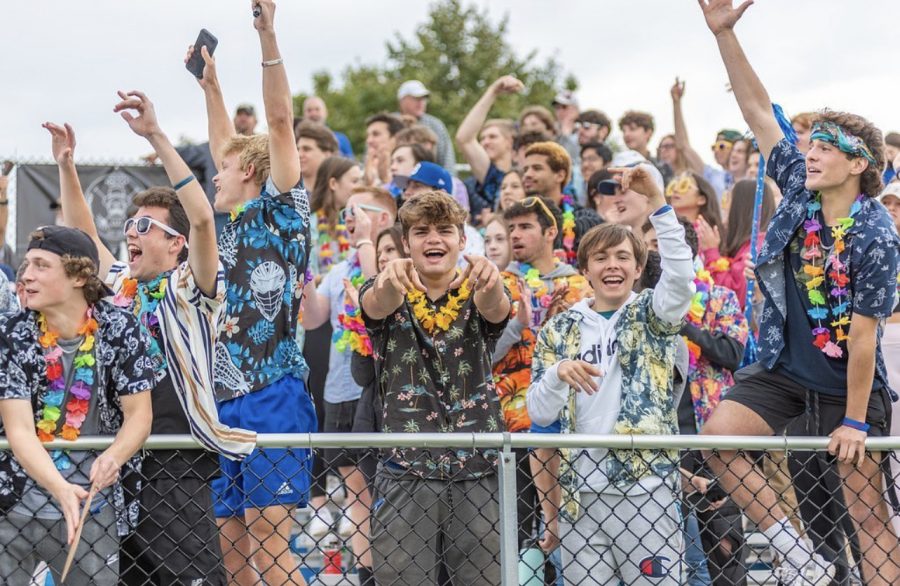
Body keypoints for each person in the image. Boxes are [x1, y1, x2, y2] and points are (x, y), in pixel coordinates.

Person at [697, 2, 900, 584]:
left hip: (848, 385)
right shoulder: (798, 189)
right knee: (718, 436)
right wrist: (725, 35)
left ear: (858, 163)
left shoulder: (876, 234)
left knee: (868, 519)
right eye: (808, 145)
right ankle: (801, 557)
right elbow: (758, 108)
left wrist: (856, 423)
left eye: (825, 147)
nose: (808, 152)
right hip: (784, 368)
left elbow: (864, 337)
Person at [49, 88, 257, 583]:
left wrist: (156, 136)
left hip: (175, 455)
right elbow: (85, 238)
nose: (132, 233)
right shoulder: (120, 282)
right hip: (118, 460)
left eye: (145, 226)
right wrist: (67, 165)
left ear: (176, 244)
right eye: (129, 225)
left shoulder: (192, 287)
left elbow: (204, 218)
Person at [190, 3, 316, 583]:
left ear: (254, 172)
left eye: (227, 167)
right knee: (234, 544)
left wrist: (268, 36)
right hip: (227, 396)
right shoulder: (232, 220)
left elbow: (281, 121)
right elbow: (223, 144)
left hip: (275, 389)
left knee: (269, 536)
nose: (215, 173)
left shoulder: (284, 208)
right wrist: (210, 84)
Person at [527, 165, 694, 585]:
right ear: (585, 269)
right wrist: (558, 374)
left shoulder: (652, 313)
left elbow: (681, 279)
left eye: (623, 257)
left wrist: (657, 202)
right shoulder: (558, 329)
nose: (612, 265)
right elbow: (538, 413)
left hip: (647, 489)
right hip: (580, 496)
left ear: (639, 269)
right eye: (601, 258)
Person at [359, 190, 510, 583]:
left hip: (477, 466)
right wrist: (390, 279)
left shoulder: (481, 285)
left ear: (462, 240)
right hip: (405, 467)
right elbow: (378, 304)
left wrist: (491, 282)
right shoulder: (383, 285)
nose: (434, 240)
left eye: (445, 230)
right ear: (406, 243)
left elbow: (497, 308)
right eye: (421, 232)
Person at [0, 226, 155, 585]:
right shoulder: (11, 332)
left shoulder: (119, 327)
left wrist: (113, 457)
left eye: (41, 265)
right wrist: (60, 488)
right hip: (13, 503)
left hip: (93, 505)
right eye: (26, 265)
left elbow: (139, 416)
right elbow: (19, 428)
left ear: (79, 275)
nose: (26, 275)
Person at [302, 186, 396, 585]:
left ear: (384, 219)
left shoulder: (394, 266)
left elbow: (376, 287)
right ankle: (367, 572)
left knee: (386, 491)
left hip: (377, 395)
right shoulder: (341, 269)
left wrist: (367, 245)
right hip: (340, 391)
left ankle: (395, 568)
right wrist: (301, 268)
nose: (348, 219)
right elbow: (312, 318)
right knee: (357, 490)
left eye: (356, 211)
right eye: (345, 213)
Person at [522, 141, 602, 265]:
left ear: (560, 175)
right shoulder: (516, 221)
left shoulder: (586, 218)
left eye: (537, 168)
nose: (527, 174)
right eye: (525, 169)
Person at [702, 178, 776, 309]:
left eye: (728, 199)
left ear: (741, 206)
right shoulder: (750, 244)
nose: (724, 206)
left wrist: (711, 252)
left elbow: (732, 300)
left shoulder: (756, 249)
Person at [456, 75, 521, 216]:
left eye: (492, 137)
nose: (485, 142)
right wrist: (493, 91)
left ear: (509, 141)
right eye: (482, 138)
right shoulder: (492, 176)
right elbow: (464, 139)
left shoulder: (524, 174)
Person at [670, 78, 742, 199]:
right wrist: (676, 103)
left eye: (722, 146)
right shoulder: (712, 176)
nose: (716, 151)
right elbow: (683, 146)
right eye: (714, 147)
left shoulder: (753, 173)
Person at [396, 161, 485, 258]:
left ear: (441, 193)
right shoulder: (396, 230)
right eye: (421, 232)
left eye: (417, 186)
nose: (407, 192)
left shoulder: (470, 236)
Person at [310, 156, 363, 275]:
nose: (360, 187)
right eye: (355, 181)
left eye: (361, 181)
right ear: (333, 183)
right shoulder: (307, 224)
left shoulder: (352, 222)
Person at [396, 80, 456, 172]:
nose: (421, 102)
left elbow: (447, 160)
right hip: (394, 181)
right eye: (416, 98)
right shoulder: (389, 123)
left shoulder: (436, 125)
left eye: (423, 98)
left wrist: (447, 183)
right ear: (402, 100)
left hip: (429, 182)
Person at [618, 110, 672, 184]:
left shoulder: (662, 167)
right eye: (624, 131)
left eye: (632, 129)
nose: (626, 134)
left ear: (648, 133)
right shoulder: (617, 165)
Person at [296, 120, 339, 193]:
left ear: (327, 154)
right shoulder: (287, 193)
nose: (299, 155)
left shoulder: (339, 192)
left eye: (306, 149)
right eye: (298, 149)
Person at [364, 112, 405, 187]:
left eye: (376, 134)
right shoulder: (363, 169)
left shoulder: (408, 167)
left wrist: (385, 179)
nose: (369, 141)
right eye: (368, 136)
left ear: (395, 138)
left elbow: (404, 193)